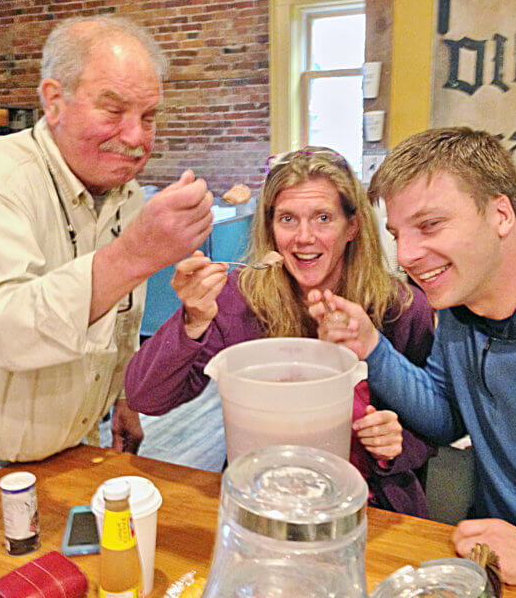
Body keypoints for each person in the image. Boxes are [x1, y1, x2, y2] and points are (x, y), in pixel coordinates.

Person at [0, 16, 214, 518]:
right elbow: (4, 329)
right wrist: (134, 254)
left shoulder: (126, 196)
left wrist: (124, 397)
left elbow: (121, 316)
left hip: (67, 458)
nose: (135, 138)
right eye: (113, 110)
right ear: (53, 99)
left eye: (149, 116)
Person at [308, 127, 516, 588]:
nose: (406, 255)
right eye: (397, 234)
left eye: (430, 225)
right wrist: (371, 346)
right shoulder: (463, 301)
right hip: (500, 564)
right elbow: (447, 416)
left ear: (501, 214)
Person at [125, 147, 437, 516]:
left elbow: (433, 426)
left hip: (369, 504)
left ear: (352, 226)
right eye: (287, 219)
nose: (304, 237)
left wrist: (394, 443)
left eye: (323, 218)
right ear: (271, 230)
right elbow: (146, 396)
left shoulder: (401, 308)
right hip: (263, 497)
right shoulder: (239, 299)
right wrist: (191, 321)